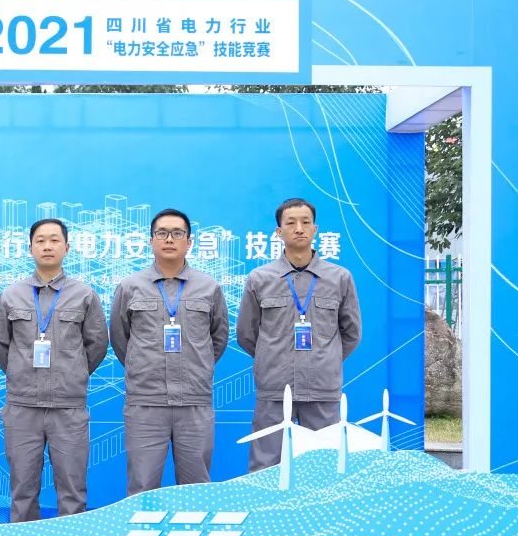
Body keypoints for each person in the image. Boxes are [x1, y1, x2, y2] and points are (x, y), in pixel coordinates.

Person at [0, 218, 109, 521]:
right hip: (22, 407)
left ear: (66, 248)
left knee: (72, 490)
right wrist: (21, 373)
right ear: (30, 248)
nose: (47, 246)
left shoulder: (84, 295)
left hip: (68, 407)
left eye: (54, 240)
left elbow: (96, 344)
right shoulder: (11, 295)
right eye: (40, 240)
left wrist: (73, 373)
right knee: (22, 490)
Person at [110, 208, 230, 496]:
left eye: (177, 233)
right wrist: (142, 367)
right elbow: (120, 338)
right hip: (146, 402)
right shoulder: (130, 286)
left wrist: (197, 367)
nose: (169, 239)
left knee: (196, 488)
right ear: (151, 240)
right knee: (142, 486)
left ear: (189, 242)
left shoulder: (209, 287)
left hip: (194, 401)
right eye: (162, 233)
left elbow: (218, 338)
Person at [237, 198, 362, 472]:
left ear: (315, 229)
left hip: (322, 387)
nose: (299, 228)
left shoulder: (339, 278)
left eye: (306, 222)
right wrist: (272, 356)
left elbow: (351, 333)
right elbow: (247, 334)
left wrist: (326, 358)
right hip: (275, 386)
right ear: (278, 232)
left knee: (324, 465)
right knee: (266, 465)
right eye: (291, 223)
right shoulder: (260, 278)